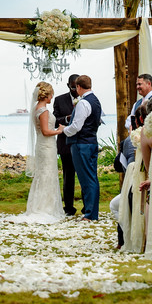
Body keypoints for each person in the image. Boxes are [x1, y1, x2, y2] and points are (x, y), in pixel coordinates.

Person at [18, 81, 65, 223]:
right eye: (51, 94)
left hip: (43, 146)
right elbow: (45, 131)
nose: (52, 97)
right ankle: (45, 207)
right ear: (46, 95)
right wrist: (59, 131)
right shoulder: (43, 111)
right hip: (46, 146)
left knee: (44, 174)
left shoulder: (36, 108)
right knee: (46, 175)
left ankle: (43, 205)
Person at [63, 74, 101, 221]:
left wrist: (63, 130)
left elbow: (76, 127)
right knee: (92, 178)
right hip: (91, 142)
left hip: (81, 144)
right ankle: (92, 212)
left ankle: (91, 214)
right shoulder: (95, 101)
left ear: (78, 87)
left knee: (86, 180)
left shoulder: (83, 103)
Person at [53, 73, 79, 216]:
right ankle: (68, 207)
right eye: (73, 86)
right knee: (68, 177)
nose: (75, 90)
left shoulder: (85, 99)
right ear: (68, 85)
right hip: (65, 145)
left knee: (83, 176)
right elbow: (55, 120)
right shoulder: (59, 100)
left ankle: (87, 207)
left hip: (81, 143)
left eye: (77, 86)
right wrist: (67, 118)